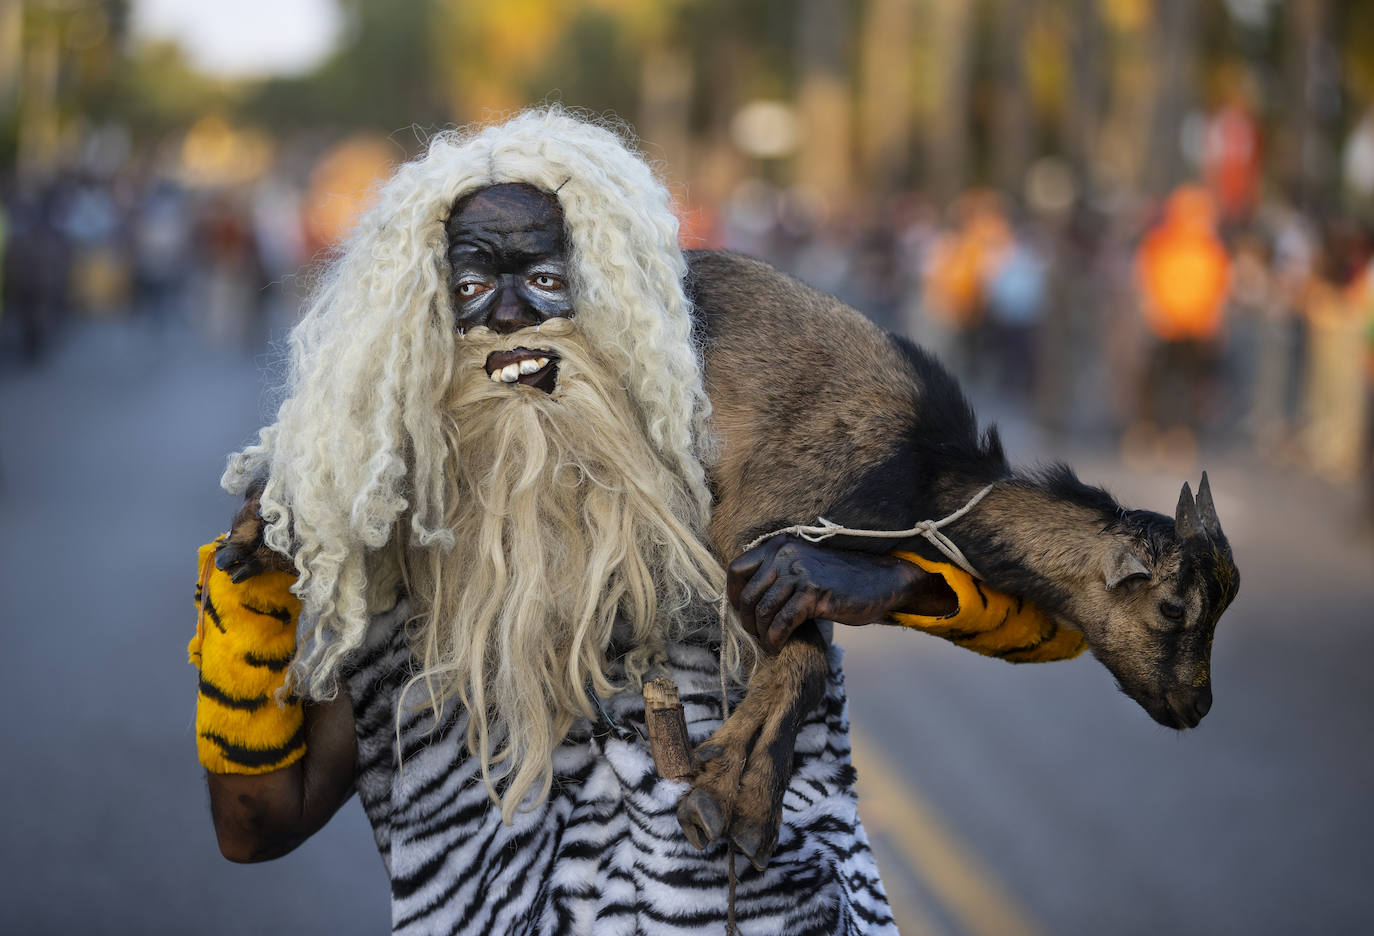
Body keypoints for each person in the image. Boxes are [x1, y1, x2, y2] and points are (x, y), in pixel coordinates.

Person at [191, 109, 1071, 934]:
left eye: (543, 281)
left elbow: (1067, 617)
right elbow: (256, 825)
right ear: (418, 321)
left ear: (613, 298)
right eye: (470, 286)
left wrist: (903, 579)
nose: (507, 318)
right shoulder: (388, 566)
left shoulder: (733, 492)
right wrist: (255, 610)